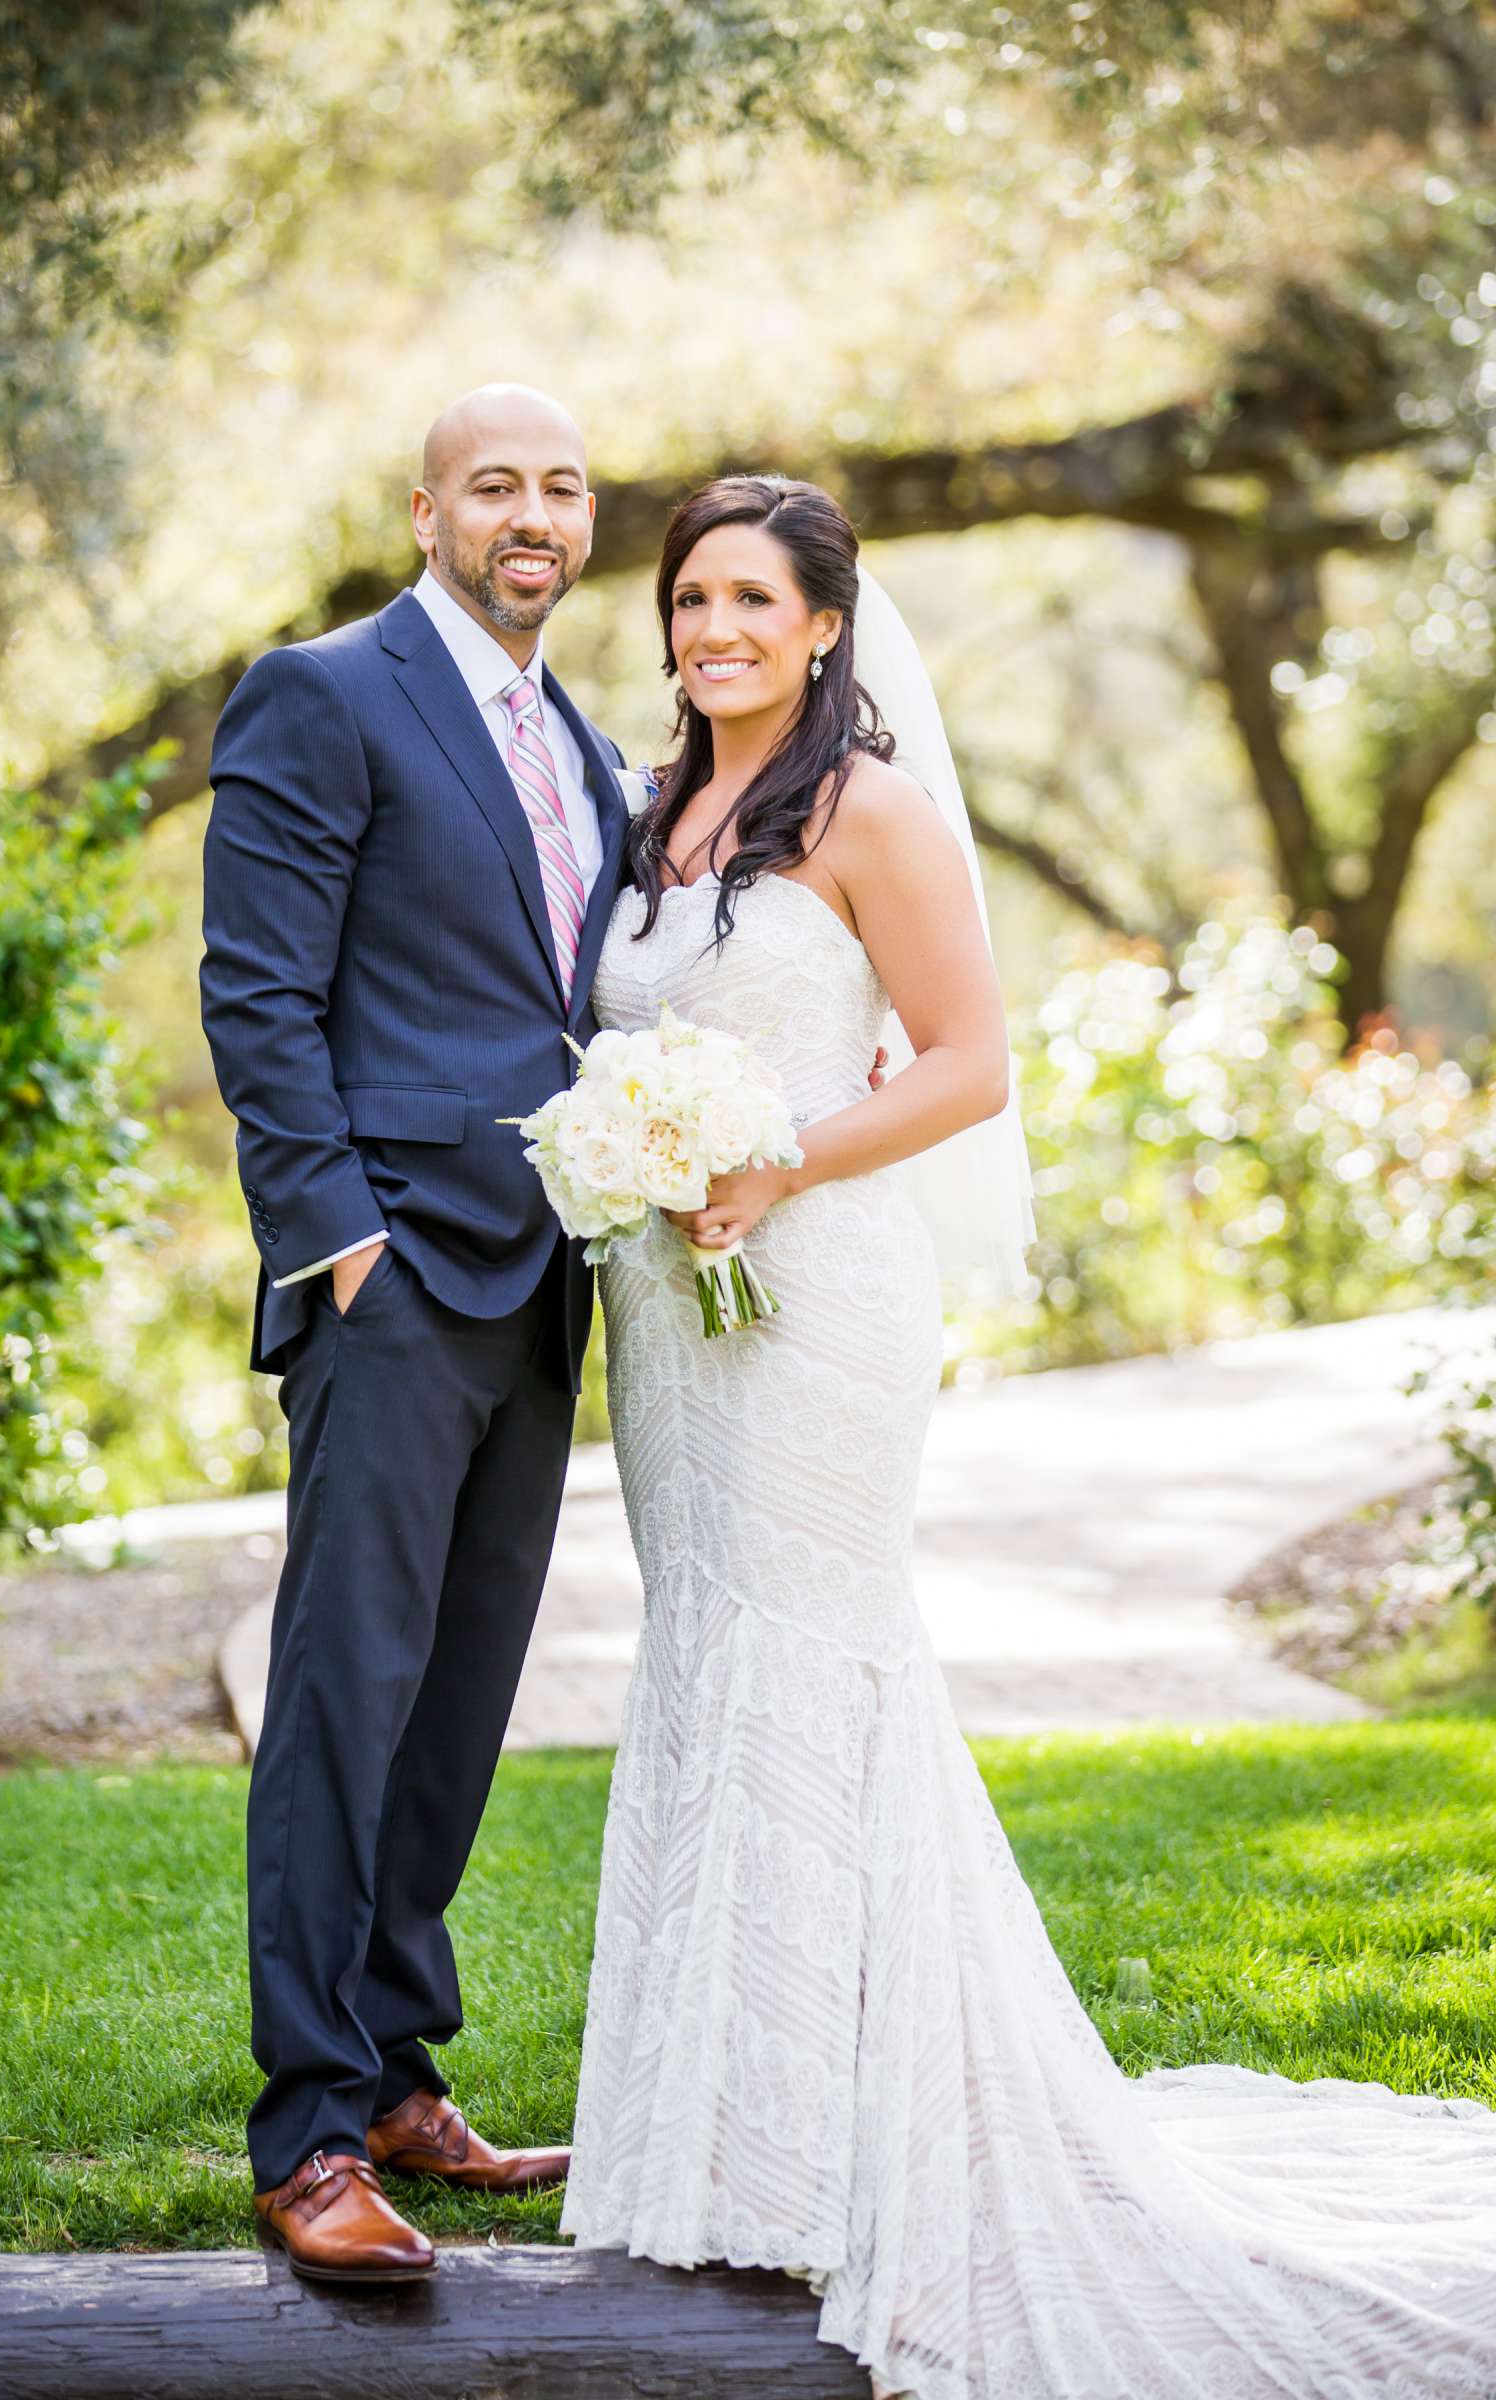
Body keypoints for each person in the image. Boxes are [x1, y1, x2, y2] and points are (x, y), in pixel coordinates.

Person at [560, 473, 1496, 2396]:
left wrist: (775, 1161)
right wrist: (641, 1156)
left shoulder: (869, 809)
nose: (714, 631)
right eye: (690, 600)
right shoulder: (656, 815)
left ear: (826, 624)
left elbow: (977, 1061)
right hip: (664, 1315)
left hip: (815, 1297)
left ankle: (840, 2140)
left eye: (752, 601)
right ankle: (711, 2138)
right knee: (709, 1654)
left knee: (818, 1662)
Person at [200, 383, 631, 2280]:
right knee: (342, 1704)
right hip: (395, 1280)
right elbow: (256, 995)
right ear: (425, 509)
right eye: (493, 486)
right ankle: (305, 2141)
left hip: (543, 1279)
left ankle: (394, 2075)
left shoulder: (591, 740)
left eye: (558, 486)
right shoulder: (328, 691)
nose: (527, 514)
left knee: (456, 1708)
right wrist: (337, 1248)